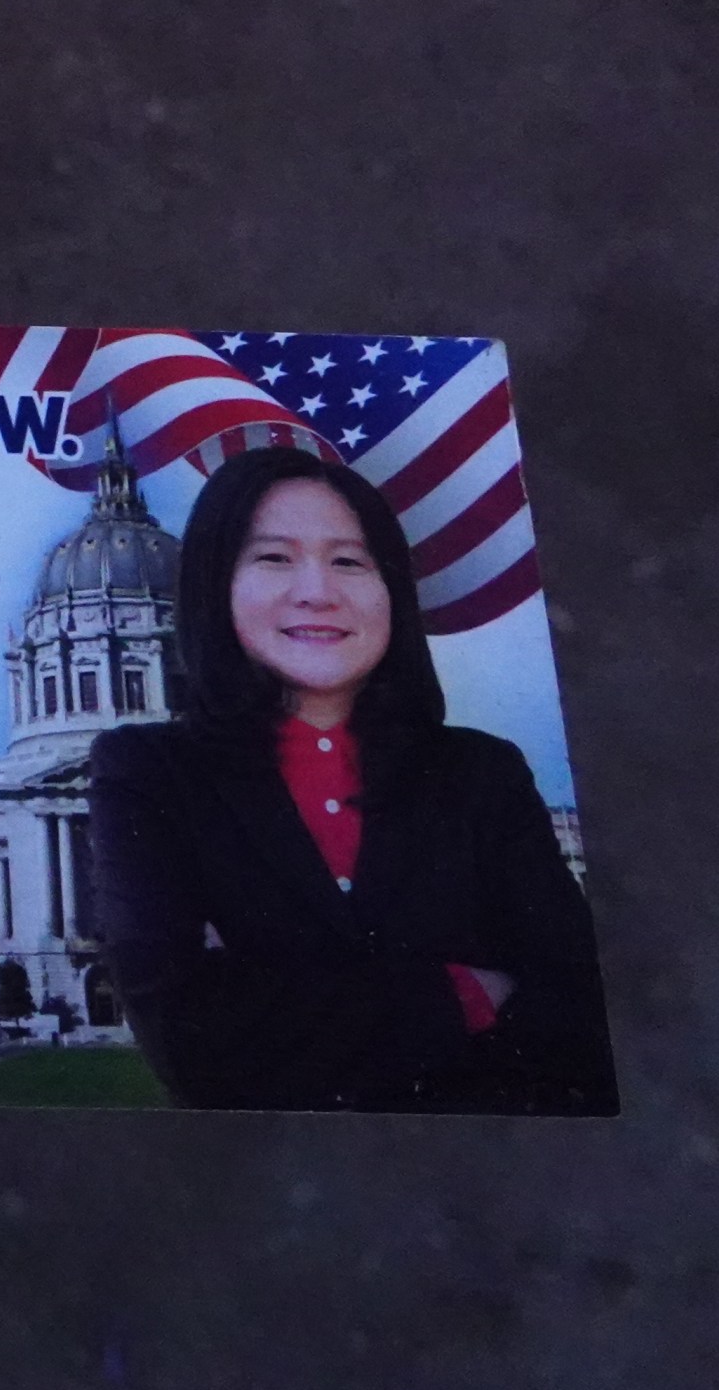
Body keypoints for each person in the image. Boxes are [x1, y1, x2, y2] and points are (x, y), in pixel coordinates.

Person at [88, 449, 616, 1115]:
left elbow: (582, 1022)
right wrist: (472, 993)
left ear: (391, 587)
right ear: (214, 589)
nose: (317, 590)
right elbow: (192, 1042)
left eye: (349, 561)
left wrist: (276, 999)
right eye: (274, 558)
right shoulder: (149, 771)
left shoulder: (484, 773)